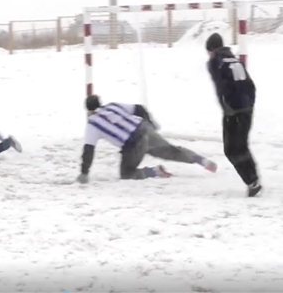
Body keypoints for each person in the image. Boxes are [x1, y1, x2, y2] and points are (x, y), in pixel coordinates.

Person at [76, 95, 217, 184]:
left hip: (132, 143)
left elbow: (88, 150)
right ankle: (203, 161)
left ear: (89, 110)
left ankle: (154, 172)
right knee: (172, 151)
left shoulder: (92, 123)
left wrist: (84, 172)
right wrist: (150, 123)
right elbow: (139, 108)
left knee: (126, 174)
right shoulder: (113, 106)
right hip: (143, 128)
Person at [205, 33, 261, 197]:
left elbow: (221, 87)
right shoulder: (235, 59)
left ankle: (252, 181)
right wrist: (249, 104)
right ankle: (253, 180)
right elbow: (251, 85)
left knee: (231, 149)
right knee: (242, 146)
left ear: (212, 49)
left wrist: (226, 107)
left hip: (233, 110)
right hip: (246, 109)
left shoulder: (215, 61)